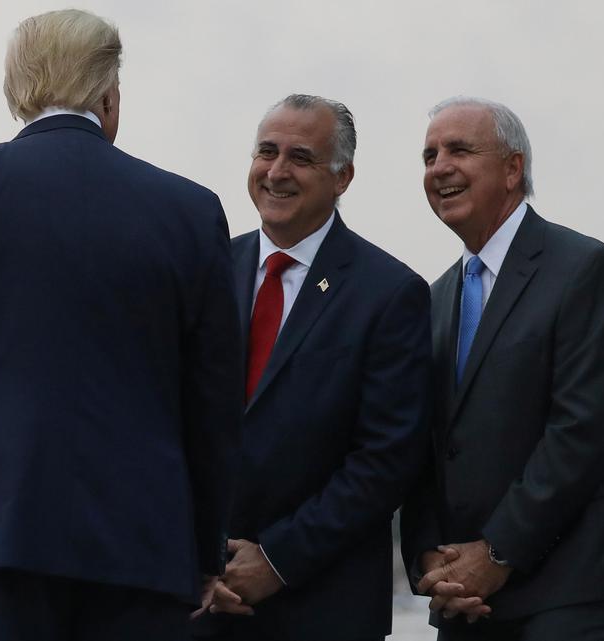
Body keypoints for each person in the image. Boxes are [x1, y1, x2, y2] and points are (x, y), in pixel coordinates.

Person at [0, 9, 242, 640]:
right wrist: (202, 548)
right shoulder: (190, 210)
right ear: (108, 94)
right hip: (142, 550)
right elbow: (213, 400)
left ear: (16, 91)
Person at [194, 94, 431, 641]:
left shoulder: (390, 294)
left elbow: (386, 460)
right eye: (266, 152)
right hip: (198, 601)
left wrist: (276, 560)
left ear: (342, 176)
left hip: (320, 605)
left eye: (300, 158)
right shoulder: (203, 270)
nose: (276, 172)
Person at [400, 96, 604, 640]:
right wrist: (430, 559)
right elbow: (423, 444)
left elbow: (581, 431)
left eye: (459, 150)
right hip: (462, 602)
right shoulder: (433, 298)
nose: (439, 167)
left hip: (563, 597)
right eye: (429, 156)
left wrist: (497, 553)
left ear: (513, 168)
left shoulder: (583, 268)